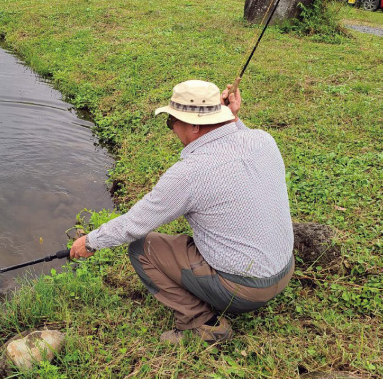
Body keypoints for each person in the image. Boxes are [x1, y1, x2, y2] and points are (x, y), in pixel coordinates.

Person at [70, 80, 294, 344]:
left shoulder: (189, 174)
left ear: (195, 125)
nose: (172, 129)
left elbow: (135, 224)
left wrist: (91, 241)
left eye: (171, 121)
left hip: (244, 291)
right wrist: (231, 119)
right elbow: (237, 136)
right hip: (283, 271)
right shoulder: (263, 140)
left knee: (141, 248)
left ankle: (201, 325)